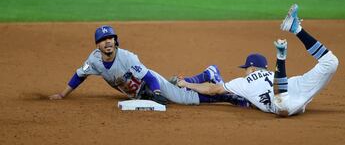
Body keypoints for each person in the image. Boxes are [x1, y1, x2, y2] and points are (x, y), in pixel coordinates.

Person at [177, 4, 339, 116]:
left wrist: (187, 84)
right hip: (294, 86)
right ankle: (296, 28)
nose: (245, 70)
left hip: (282, 100)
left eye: (246, 68)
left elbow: (213, 89)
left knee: (283, 106)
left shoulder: (243, 82)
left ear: (253, 69)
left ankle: (281, 57)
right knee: (331, 62)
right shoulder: (267, 74)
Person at [49, 25, 250, 107]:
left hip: (149, 84)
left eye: (111, 38)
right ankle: (208, 73)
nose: (108, 42)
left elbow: (150, 79)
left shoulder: (127, 58)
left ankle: (227, 97)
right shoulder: (94, 60)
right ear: (97, 45)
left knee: (182, 98)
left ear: (115, 41)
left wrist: (155, 93)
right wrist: (62, 94)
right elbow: (79, 75)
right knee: (173, 86)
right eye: (103, 40)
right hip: (138, 93)